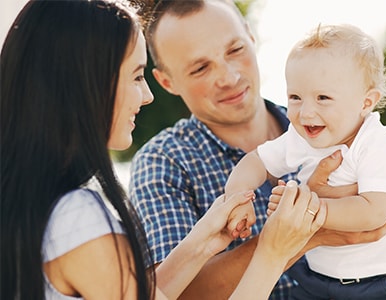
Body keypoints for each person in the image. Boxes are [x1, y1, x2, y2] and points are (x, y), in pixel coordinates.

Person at [0, 1, 329, 299]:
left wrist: (200, 244)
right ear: (89, 84)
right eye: (136, 76)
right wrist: (275, 250)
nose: (147, 96)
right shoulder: (77, 218)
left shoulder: (43, 205)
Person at [130, 1, 386, 299]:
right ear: (167, 81)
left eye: (235, 50)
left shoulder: (329, 123)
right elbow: (173, 294)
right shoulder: (164, 162)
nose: (229, 77)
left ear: (251, 36)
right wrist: (306, 230)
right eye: (201, 68)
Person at [225, 23, 386, 299]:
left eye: (323, 98)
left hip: (382, 281)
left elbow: (374, 212)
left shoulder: (376, 143)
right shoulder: (299, 138)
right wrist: (237, 198)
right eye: (295, 97)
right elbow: (255, 161)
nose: (306, 111)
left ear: (366, 102)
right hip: (317, 277)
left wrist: (306, 208)